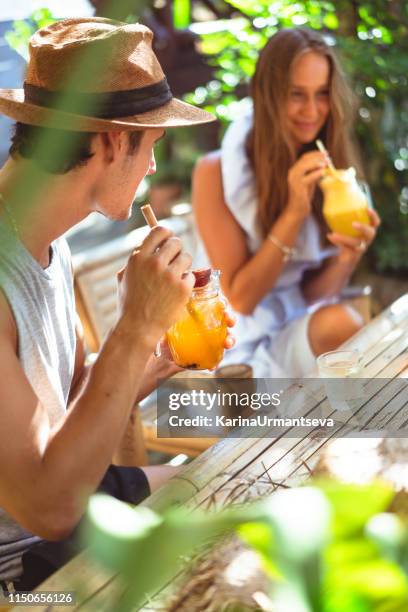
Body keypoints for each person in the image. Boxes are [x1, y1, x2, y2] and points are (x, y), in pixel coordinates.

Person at [0, 17, 234, 590]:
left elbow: (62, 425)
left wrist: (143, 359)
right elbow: (46, 507)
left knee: (233, 483)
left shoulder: (50, 238)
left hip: (72, 515)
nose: (154, 166)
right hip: (25, 576)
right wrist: (131, 329)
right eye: (151, 144)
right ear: (110, 139)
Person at [193, 27, 380, 378]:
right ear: (269, 94)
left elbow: (311, 295)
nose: (312, 110)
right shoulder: (215, 172)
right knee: (344, 326)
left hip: (292, 325)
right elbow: (242, 299)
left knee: (350, 330)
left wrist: (348, 255)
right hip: (235, 345)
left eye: (322, 94)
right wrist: (294, 211)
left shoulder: (324, 162)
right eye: (297, 94)